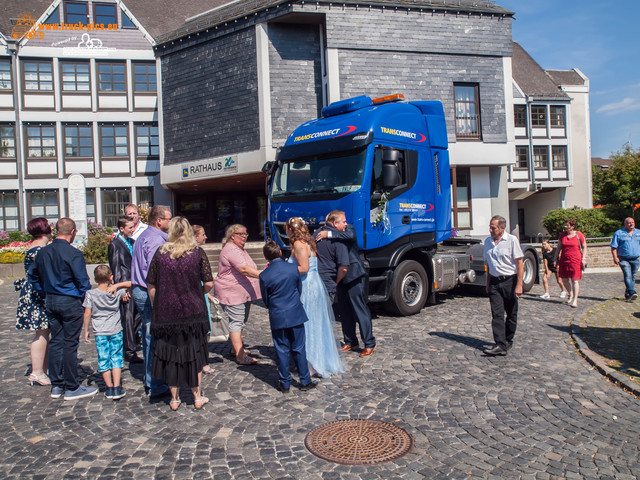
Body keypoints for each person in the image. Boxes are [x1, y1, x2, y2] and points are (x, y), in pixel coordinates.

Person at [146, 217, 214, 410]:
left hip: (166, 312)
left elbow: (151, 284)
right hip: (193, 311)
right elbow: (208, 283)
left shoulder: (160, 254)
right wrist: (197, 293)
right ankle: (197, 396)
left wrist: (156, 304)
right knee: (195, 353)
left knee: (171, 356)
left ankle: (174, 399)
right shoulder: (197, 253)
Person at [28, 218, 96, 400]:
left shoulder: (43, 252)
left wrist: (43, 289)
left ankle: (57, 385)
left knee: (56, 341)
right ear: (72, 231)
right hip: (69, 300)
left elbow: (32, 275)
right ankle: (72, 386)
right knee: (70, 343)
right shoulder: (73, 253)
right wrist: (84, 298)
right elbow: (83, 282)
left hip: (51, 300)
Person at [285, 217, 345, 378]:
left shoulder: (298, 244)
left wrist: (285, 270)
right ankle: (317, 360)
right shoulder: (308, 243)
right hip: (314, 283)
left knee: (308, 323)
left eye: (286, 228)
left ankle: (312, 363)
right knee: (316, 322)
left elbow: (303, 268)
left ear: (290, 230)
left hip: (307, 285)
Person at [315, 210, 376, 357]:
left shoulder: (349, 229)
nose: (346, 223)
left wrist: (328, 234)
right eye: (343, 221)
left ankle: (369, 343)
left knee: (359, 310)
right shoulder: (325, 230)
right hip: (339, 277)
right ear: (335, 223)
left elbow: (349, 236)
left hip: (353, 275)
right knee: (344, 311)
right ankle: (350, 341)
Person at [259, 241, 317, 393]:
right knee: (299, 348)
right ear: (279, 253)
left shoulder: (264, 275)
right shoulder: (292, 269)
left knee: (281, 349)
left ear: (266, 257)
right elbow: (299, 289)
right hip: (295, 312)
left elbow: (265, 298)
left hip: (278, 315)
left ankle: (285, 383)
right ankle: (305, 380)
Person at [131, 205, 172, 398]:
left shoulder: (144, 236)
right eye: (168, 219)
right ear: (159, 221)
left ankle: (152, 380)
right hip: (148, 291)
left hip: (140, 289)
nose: (170, 223)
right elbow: (156, 273)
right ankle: (154, 382)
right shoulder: (156, 240)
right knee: (153, 336)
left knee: (149, 334)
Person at [213, 224, 262, 365]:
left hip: (241, 293)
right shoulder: (231, 250)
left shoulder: (239, 249)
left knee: (241, 321)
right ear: (232, 236)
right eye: (241, 234)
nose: (244, 236)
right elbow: (244, 269)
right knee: (236, 322)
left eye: (246, 234)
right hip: (232, 293)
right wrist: (266, 275)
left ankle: (237, 349)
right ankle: (240, 356)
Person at [83, 265, 130, 400]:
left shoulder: (91, 294)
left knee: (103, 358)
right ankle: (116, 386)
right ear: (111, 278)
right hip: (115, 329)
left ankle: (108, 387)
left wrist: (86, 330)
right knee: (116, 358)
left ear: (95, 279)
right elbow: (132, 283)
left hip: (100, 331)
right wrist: (117, 285)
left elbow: (87, 313)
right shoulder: (117, 292)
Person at [15, 217, 53, 386]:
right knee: (41, 331)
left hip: (34, 292)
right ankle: (37, 372)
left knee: (43, 331)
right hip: (37, 294)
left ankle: (43, 370)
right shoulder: (39, 250)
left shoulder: (36, 247)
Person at [482, 215, 524, 356]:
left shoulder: (511, 240)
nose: (490, 230)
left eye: (493, 228)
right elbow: (489, 264)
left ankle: (508, 340)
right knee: (497, 314)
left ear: (502, 228)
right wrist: (488, 284)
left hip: (509, 281)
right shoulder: (488, 242)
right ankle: (499, 344)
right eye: (490, 227)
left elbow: (519, 263)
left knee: (511, 314)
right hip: (494, 282)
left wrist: (519, 285)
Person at [108, 215, 142, 364]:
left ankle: (131, 341)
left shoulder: (132, 242)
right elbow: (116, 269)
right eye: (130, 227)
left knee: (138, 316)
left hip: (135, 284)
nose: (133, 229)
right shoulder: (115, 245)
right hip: (125, 286)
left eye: (133, 226)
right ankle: (129, 351)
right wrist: (121, 290)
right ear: (121, 229)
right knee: (127, 318)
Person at [193, 224, 215, 375]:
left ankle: (201, 361)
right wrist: (204, 292)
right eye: (203, 234)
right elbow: (207, 282)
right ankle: (202, 362)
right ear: (195, 237)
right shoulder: (197, 253)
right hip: (196, 297)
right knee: (200, 330)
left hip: (197, 295)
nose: (205, 237)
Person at [555, 218, 587, 309]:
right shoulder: (563, 235)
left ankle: (575, 300)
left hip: (575, 260)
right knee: (564, 279)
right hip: (564, 259)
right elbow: (558, 247)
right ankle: (570, 293)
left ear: (572, 226)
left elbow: (584, 247)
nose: (565, 227)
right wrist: (556, 258)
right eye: (565, 225)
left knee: (574, 280)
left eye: (567, 225)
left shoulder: (578, 234)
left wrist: (583, 259)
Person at [610, 217, 640, 301]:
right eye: (629, 223)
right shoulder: (619, 233)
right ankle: (632, 291)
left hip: (635, 258)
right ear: (625, 224)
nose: (631, 224)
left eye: (632, 223)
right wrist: (615, 257)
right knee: (627, 275)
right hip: (623, 259)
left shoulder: (638, 233)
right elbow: (613, 247)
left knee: (633, 276)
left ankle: (628, 294)